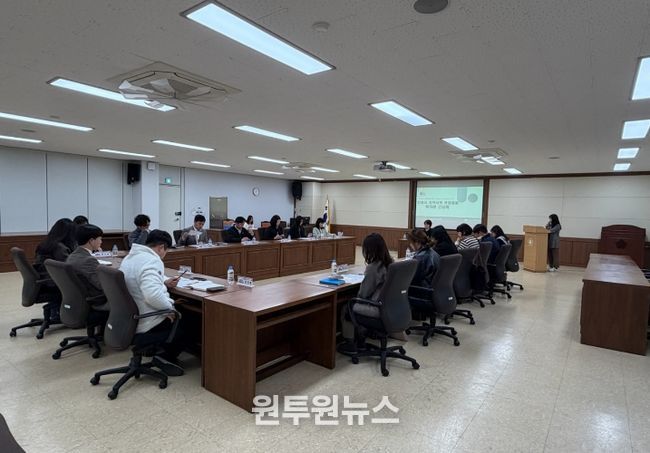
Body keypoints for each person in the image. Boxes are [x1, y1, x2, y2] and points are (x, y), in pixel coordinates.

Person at [119, 230, 187, 370]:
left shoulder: (131, 257)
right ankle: (165, 358)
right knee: (187, 320)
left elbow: (140, 276)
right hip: (147, 318)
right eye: (166, 250)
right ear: (161, 247)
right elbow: (153, 295)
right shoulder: (152, 260)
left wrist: (164, 281)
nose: (164, 254)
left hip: (129, 317)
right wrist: (170, 309)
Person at [340, 233, 394, 351]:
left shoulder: (373, 268)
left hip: (377, 309)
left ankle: (351, 343)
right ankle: (363, 334)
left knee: (347, 307)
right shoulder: (391, 264)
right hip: (390, 308)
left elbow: (363, 294)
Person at [33, 218, 76, 322]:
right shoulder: (60, 248)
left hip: (45, 280)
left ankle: (56, 310)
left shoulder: (47, 243)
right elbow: (69, 268)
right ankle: (77, 315)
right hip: (52, 282)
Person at [66, 224, 109, 310]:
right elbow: (101, 285)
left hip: (78, 297)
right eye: (100, 239)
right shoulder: (89, 260)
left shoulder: (72, 255)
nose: (101, 242)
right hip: (96, 298)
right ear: (91, 241)